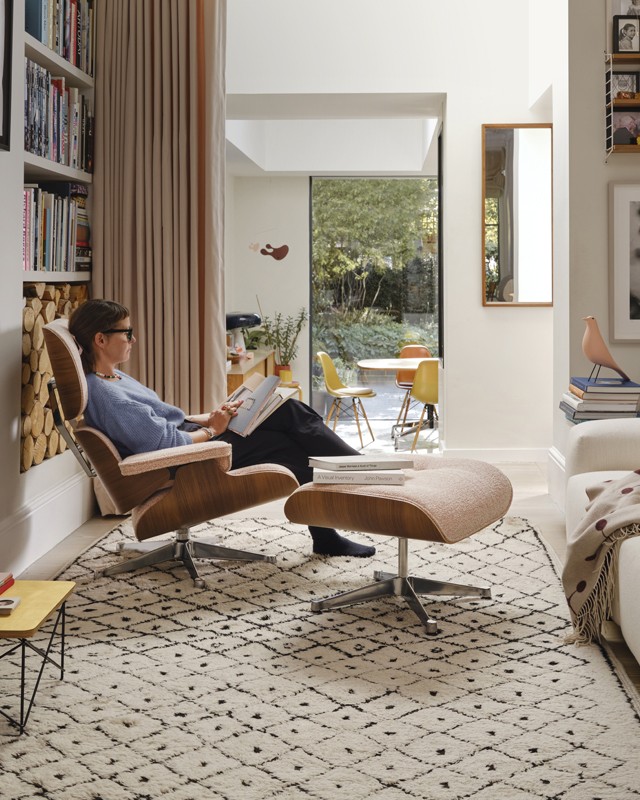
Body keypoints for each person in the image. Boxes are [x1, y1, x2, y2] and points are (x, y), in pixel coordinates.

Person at [68, 299, 375, 558]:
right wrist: (214, 430)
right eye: (127, 333)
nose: (133, 340)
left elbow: (157, 423)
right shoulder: (108, 395)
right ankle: (366, 474)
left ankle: (341, 511)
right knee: (290, 426)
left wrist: (207, 419)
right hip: (186, 464)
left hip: (192, 447)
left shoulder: (112, 380)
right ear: (100, 339)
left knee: (286, 420)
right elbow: (163, 445)